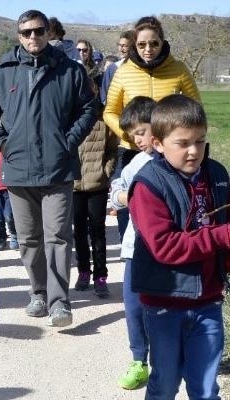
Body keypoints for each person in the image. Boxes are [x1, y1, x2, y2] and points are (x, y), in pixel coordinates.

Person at [0, 9, 97, 327]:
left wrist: (68, 141)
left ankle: (59, 302)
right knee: (28, 237)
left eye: (38, 31)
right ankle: (38, 292)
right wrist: (1, 141)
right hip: (18, 167)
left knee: (57, 236)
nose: (32, 37)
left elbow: (88, 108)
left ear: (47, 33)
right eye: (26, 32)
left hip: (58, 167)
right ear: (19, 36)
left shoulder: (69, 70)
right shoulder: (3, 72)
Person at [128, 94, 227, 400]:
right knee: (165, 384)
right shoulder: (148, 185)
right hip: (164, 304)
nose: (194, 151)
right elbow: (165, 247)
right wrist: (222, 236)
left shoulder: (218, 175)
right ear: (157, 143)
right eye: (183, 143)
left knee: (206, 388)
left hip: (208, 301)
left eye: (200, 140)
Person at [103, 16, 200, 242]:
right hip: (131, 152)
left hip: (169, 153)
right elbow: (109, 111)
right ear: (135, 44)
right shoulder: (123, 71)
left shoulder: (179, 69)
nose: (148, 49)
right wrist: (131, 135)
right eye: (142, 44)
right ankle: (133, 257)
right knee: (130, 210)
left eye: (154, 43)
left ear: (163, 42)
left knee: (169, 208)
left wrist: (180, 138)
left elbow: (195, 109)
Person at [108, 95, 156, 390]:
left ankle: (173, 355)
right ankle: (139, 360)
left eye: (141, 132)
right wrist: (125, 198)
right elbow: (116, 191)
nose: (137, 140)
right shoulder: (135, 163)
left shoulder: (175, 161)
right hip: (134, 248)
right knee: (133, 305)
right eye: (133, 135)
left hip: (165, 249)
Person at [71, 77, 118, 298]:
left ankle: (101, 275)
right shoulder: (68, 118)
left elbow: (112, 149)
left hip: (97, 184)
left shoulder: (104, 120)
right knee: (78, 232)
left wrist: (106, 170)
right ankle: (83, 271)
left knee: (98, 232)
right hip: (73, 185)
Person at [100, 30, 133, 104]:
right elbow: (105, 96)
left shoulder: (141, 67)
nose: (121, 49)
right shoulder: (113, 68)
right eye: (119, 45)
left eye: (124, 46)